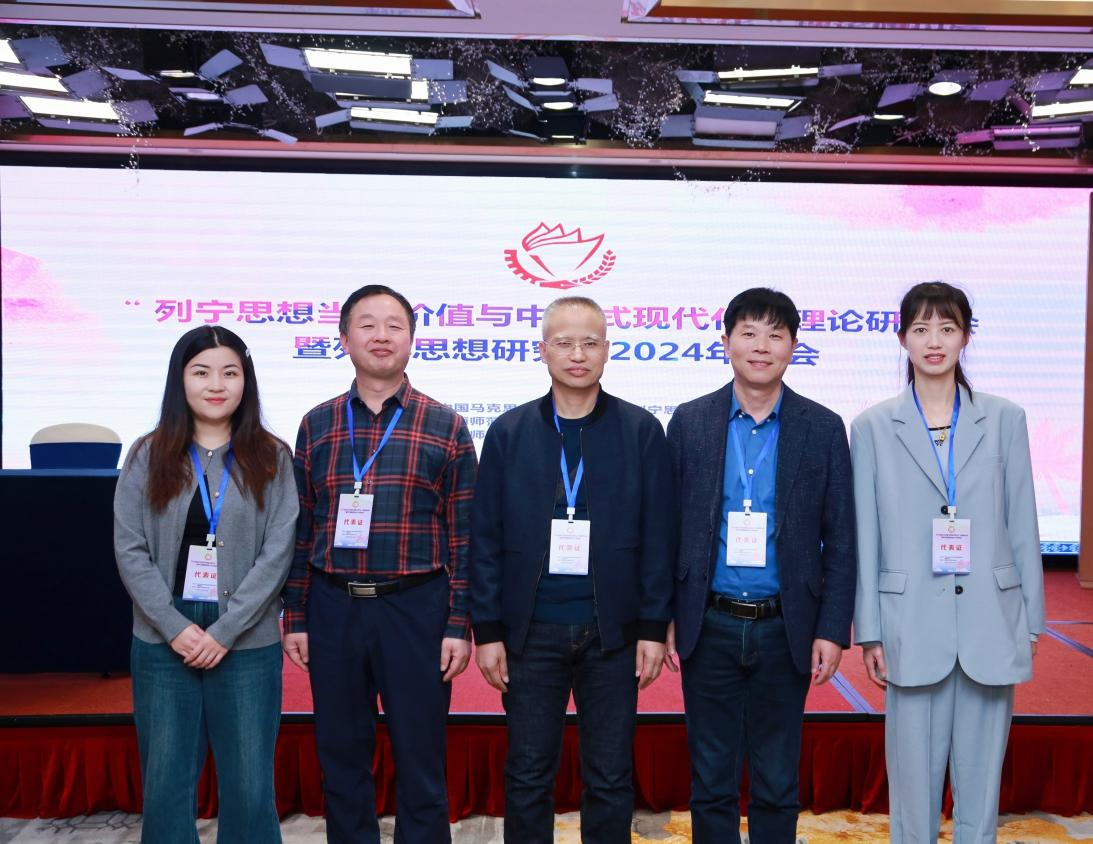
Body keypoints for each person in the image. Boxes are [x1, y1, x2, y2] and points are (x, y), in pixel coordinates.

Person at [469, 296, 674, 843]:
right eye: (564, 342)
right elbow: (485, 539)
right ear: (543, 351)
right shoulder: (510, 433)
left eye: (589, 342)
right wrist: (487, 632)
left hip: (613, 635)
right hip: (530, 632)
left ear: (607, 350)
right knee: (528, 773)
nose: (577, 354)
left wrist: (653, 628)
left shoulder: (640, 431)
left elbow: (659, 538)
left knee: (609, 776)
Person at [280, 284, 476, 844]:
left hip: (416, 608)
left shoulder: (445, 425)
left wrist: (458, 624)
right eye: (367, 324)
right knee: (341, 756)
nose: (381, 336)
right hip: (333, 606)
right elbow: (302, 529)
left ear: (413, 339)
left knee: (421, 756)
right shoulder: (317, 424)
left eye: (394, 325)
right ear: (344, 338)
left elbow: (465, 538)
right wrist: (296, 616)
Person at [851, 281, 1045, 844]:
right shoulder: (871, 427)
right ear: (902, 339)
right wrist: (870, 630)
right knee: (911, 788)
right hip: (909, 621)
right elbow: (866, 536)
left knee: (981, 790)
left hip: (991, 617)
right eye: (921, 329)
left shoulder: (1005, 419)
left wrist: (1031, 621)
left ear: (965, 336)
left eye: (947, 328)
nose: (933, 341)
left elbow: (1022, 522)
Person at [666, 287, 857, 844]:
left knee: (776, 780)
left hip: (784, 625)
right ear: (726, 341)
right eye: (748, 333)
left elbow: (842, 539)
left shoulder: (822, 427)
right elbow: (667, 530)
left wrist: (832, 629)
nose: (761, 346)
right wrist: (664, 616)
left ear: (793, 346)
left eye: (775, 335)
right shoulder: (691, 422)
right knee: (711, 780)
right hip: (709, 622)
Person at [114, 325, 298, 844]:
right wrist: (173, 627)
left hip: (246, 636)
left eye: (229, 373)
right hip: (163, 634)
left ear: (246, 381)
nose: (216, 385)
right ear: (180, 380)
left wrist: (226, 630)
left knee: (249, 784)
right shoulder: (148, 454)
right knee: (166, 783)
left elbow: (278, 551)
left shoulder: (272, 457)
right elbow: (130, 548)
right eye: (201, 372)